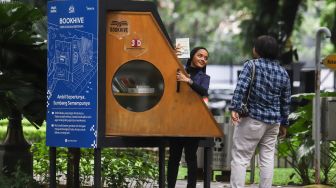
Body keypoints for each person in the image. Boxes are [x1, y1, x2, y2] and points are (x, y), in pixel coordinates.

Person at [229, 35, 291, 188]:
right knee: (267, 159)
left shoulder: (251, 65)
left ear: (257, 50)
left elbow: (241, 87)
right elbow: (285, 100)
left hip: (252, 120)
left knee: (241, 158)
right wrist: (284, 122)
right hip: (273, 123)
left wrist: (235, 107)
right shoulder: (283, 72)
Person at [167, 47, 210, 188]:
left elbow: (203, 91)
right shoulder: (179, 70)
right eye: (200, 55)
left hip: (193, 121)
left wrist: (188, 81)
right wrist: (173, 55)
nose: (203, 59)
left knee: (191, 157)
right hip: (176, 120)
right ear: (192, 56)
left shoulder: (204, 77)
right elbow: (166, 71)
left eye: (205, 57)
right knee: (174, 157)